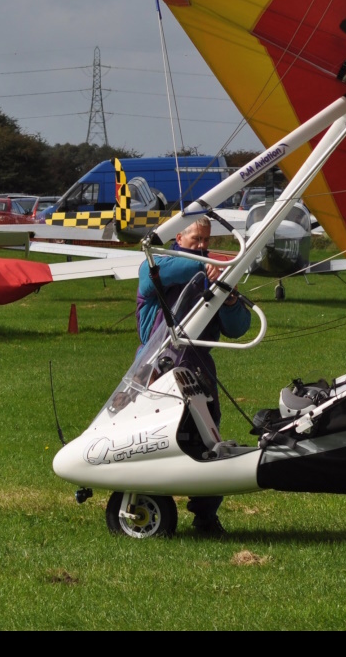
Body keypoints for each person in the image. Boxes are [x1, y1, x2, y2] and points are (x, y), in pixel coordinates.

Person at [135, 216, 251, 535]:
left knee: (207, 441)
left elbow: (239, 327)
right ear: (178, 239)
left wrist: (228, 298)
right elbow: (156, 275)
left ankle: (206, 515)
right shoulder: (158, 265)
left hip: (199, 370)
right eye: (195, 240)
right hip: (156, 368)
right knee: (151, 438)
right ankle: (147, 500)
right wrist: (211, 267)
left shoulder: (209, 273)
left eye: (205, 241)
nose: (202, 246)